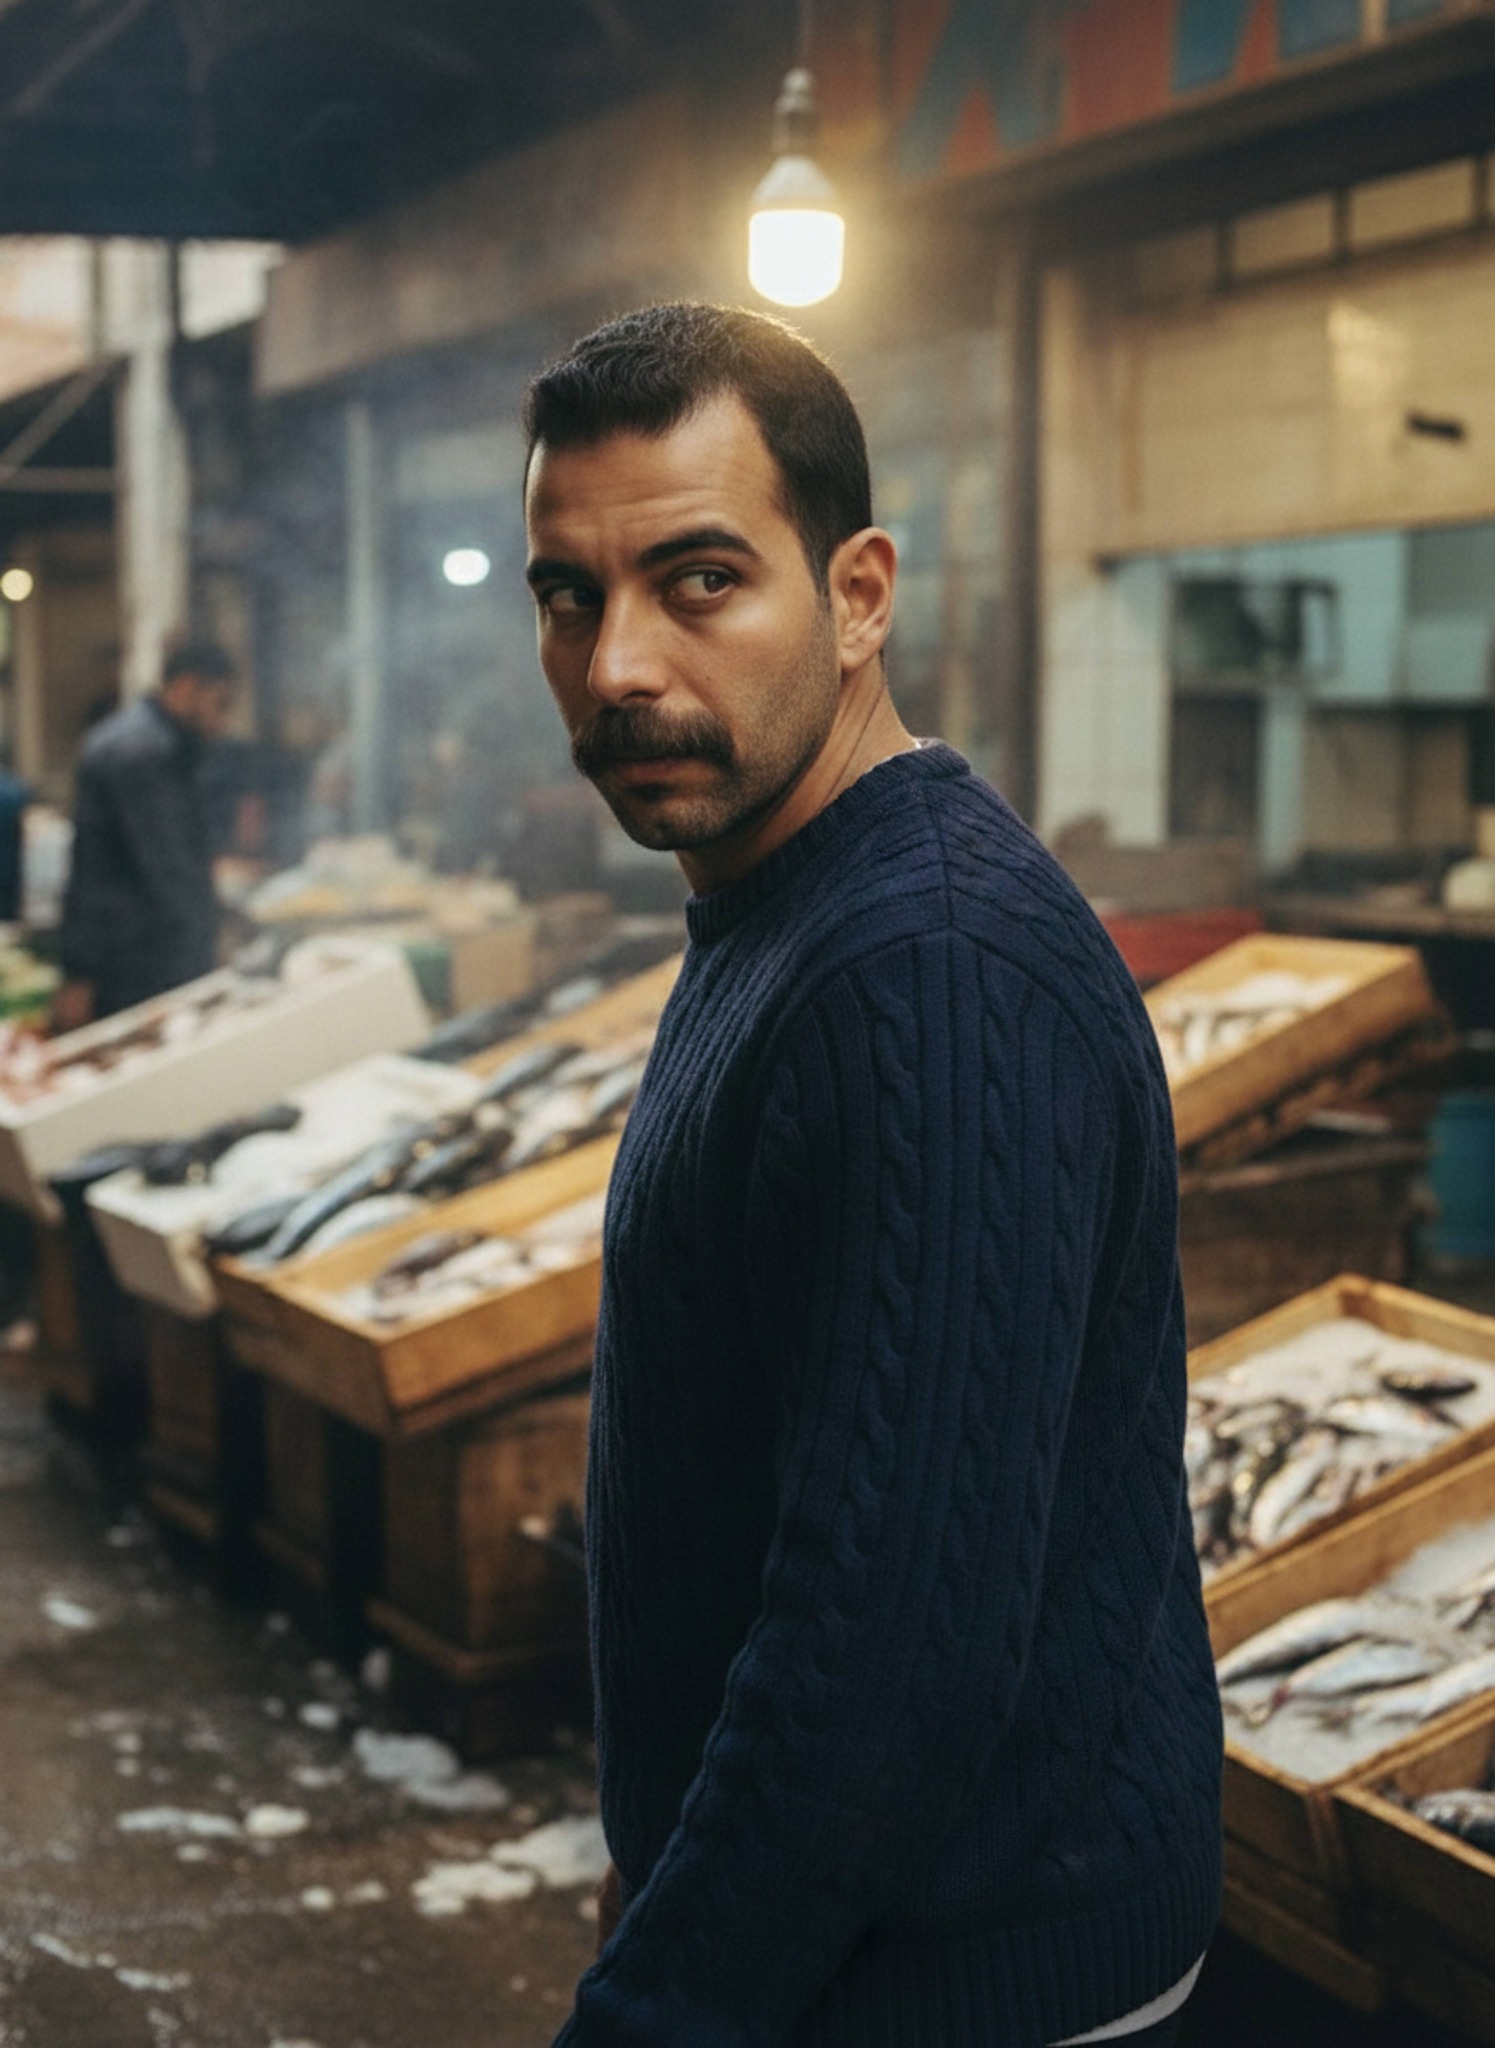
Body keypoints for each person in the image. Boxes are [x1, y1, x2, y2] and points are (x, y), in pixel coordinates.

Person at [523, 304, 1223, 2048]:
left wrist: (661, 2005)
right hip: (838, 1949)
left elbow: (885, 1662)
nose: (616, 664)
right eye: (566, 593)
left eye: (699, 580)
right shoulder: (783, 901)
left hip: (965, 1978)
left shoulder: (923, 968)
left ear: (856, 597)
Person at [55, 640, 237, 1028]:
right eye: (220, 704)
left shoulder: (147, 742)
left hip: (134, 955)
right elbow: (169, 866)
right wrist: (216, 943)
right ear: (188, 688)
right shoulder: (141, 752)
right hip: (136, 963)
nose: (222, 723)